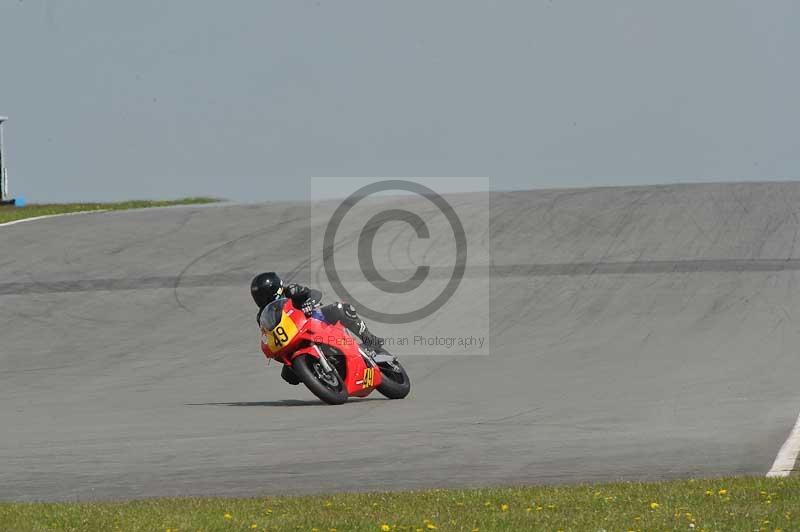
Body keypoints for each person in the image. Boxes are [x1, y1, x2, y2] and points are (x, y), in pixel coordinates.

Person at [250, 271, 384, 348]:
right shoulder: (262, 315)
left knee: (341, 308)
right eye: (258, 296)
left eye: (263, 295)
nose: (261, 299)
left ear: (274, 290)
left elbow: (314, 293)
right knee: (288, 376)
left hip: (315, 321)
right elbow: (268, 334)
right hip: (294, 339)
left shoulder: (291, 290)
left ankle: (370, 339)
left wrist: (309, 303)